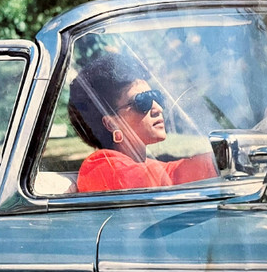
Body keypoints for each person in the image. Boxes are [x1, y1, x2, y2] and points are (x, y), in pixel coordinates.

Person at [68, 51, 217, 192]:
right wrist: (224, 157)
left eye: (156, 97)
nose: (157, 108)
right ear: (111, 124)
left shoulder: (145, 164)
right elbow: (171, 177)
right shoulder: (102, 169)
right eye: (142, 101)